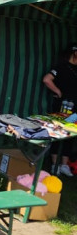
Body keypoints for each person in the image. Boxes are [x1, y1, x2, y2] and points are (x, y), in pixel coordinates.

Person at [42, 43, 77, 176]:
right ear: (75, 53)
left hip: (75, 107)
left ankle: (64, 165)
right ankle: (54, 165)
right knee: (57, 132)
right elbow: (47, 79)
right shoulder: (61, 67)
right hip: (62, 106)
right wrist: (58, 91)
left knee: (71, 134)